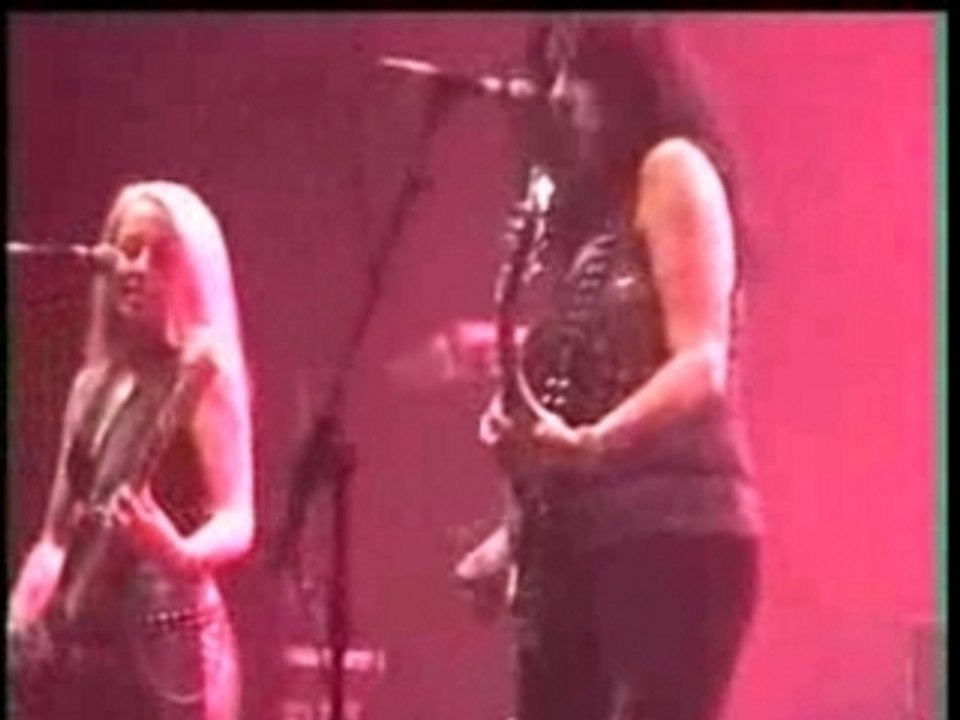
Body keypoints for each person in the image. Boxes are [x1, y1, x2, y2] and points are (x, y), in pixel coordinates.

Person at [469, 18, 763, 720]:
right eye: (554, 73)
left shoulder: (673, 168)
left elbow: (701, 361)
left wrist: (594, 442)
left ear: (632, 78)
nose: (560, 94)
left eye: (580, 72)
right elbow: (582, 393)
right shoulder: (592, 214)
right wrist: (513, 533)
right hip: (582, 546)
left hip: (675, 534)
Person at [7, 180, 255, 720]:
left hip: (168, 649)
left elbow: (239, 517)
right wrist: (20, 619)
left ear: (191, 274)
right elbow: (55, 537)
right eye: (126, 249)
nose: (135, 267)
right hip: (89, 654)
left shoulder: (202, 376)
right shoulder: (90, 386)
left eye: (158, 255)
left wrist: (179, 553)